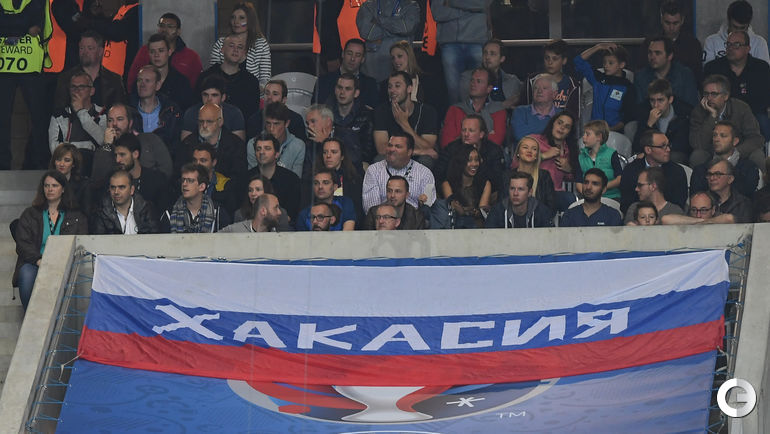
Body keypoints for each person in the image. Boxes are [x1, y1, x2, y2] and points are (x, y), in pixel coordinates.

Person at [13, 171, 88, 310]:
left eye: (54, 185)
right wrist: (39, 260)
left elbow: (81, 242)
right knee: (26, 274)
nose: (50, 189)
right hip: (35, 262)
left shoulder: (76, 215)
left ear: (63, 189)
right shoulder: (30, 214)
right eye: (46, 185)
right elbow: (22, 243)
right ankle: (31, 316)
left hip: (65, 263)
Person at [0, 0, 52, 169]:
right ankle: (2, 165)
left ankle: (39, 164)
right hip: (4, 66)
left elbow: (37, 21)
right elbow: (27, 22)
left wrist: (8, 25)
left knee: (39, 118)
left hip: (31, 66)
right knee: (2, 119)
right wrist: (25, 28)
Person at [704, 30, 770, 142]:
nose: (730, 48)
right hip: (722, 113)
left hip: (754, 114)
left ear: (748, 48)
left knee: (763, 120)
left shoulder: (761, 68)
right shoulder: (713, 68)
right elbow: (708, 96)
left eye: (737, 45)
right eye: (728, 44)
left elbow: (764, 99)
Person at [689, 74, 765, 170]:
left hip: (739, 152)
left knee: (757, 155)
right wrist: (712, 117)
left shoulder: (741, 108)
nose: (709, 98)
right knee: (697, 155)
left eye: (714, 94)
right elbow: (697, 144)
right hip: (712, 154)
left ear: (726, 96)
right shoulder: (698, 112)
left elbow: (756, 139)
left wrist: (735, 153)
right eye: (706, 94)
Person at [174, 103, 247, 191]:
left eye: (209, 121)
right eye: (201, 121)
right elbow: (178, 175)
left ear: (220, 121)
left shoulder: (236, 145)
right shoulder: (187, 144)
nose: (204, 125)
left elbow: (239, 179)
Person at [431, 0, 491, 104]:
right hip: (450, 43)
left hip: (477, 41)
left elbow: (483, 3)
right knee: (454, 93)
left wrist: (450, 3)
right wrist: (470, 11)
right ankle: (458, 115)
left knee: (480, 91)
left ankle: (478, 115)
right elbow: (437, 13)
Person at [373, 71, 439, 166]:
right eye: (390, 87)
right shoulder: (382, 111)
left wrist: (404, 124)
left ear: (409, 89)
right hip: (396, 156)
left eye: (397, 86)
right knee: (379, 159)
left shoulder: (427, 111)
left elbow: (428, 147)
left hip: (416, 159)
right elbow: (381, 149)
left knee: (426, 159)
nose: (392, 90)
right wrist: (417, 152)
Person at [48, 70, 107, 175]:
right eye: (73, 87)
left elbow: (103, 141)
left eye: (82, 87)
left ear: (92, 91)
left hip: (94, 169)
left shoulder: (102, 113)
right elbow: (54, 150)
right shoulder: (59, 115)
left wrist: (80, 111)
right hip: (67, 169)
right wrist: (85, 148)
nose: (77, 91)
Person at [127, 13, 202, 91]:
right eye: (162, 26)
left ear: (178, 31)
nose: (164, 30)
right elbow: (132, 80)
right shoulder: (144, 51)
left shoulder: (191, 56)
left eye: (170, 27)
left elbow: (197, 87)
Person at [362, 132, 436, 212]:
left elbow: (429, 207)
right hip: (383, 217)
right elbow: (371, 208)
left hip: (414, 218)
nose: (392, 149)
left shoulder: (425, 173)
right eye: (390, 145)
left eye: (398, 146)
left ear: (409, 152)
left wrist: (422, 203)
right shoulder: (373, 170)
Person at [54, 30, 126, 110]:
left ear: (100, 52)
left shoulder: (114, 80)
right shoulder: (65, 78)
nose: (85, 52)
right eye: (82, 48)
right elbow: (59, 110)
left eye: (90, 48)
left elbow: (121, 111)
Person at [619, 129, 688, 213]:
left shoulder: (677, 171)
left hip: (668, 217)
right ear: (648, 150)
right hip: (637, 216)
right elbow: (626, 204)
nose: (668, 149)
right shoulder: (631, 170)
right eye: (663, 146)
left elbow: (679, 204)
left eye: (668, 145)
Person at [436, 114, 505, 194]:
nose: (466, 134)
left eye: (471, 131)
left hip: (484, 194)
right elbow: (438, 175)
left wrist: (480, 163)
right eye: (464, 130)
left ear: (481, 134)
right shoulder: (451, 149)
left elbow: (497, 181)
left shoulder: (493, 151)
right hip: (454, 193)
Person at [574, 43, 636, 132]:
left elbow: (628, 117)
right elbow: (578, 61)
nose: (606, 66)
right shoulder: (598, 78)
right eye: (604, 62)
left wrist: (609, 130)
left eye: (610, 63)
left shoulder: (628, 87)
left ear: (622, 64)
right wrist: (598, 47)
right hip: (594, 131)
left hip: (615, 133)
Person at [689, 121, 759, 199]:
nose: (716, 139)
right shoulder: (700, 170)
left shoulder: (749, 168)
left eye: (723, 136)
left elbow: (747, 198)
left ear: (735, 141)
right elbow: (696, 199)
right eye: (714, 135)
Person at [440, 67, 507, 149]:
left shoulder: (498, 110)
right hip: (459, 155)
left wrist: (462, 138)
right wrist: (484, 137)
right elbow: (447, 143)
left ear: (489, 88)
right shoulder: (455, 110)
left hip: (488, 156)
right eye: (472, 80)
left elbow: (496, 142)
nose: (473, 84)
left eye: (478, 81)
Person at [209, 2, 271, 90]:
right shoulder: (221, 43)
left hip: (252, 93)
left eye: (241, 18)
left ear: (250, 21)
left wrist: (253, 91)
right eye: (233, 17)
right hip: (223, 92)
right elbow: (213, 73)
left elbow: (265, 80)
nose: (236, 22)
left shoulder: (261, 44)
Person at [102, 103, 173, 179]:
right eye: (110, 120)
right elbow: (99, 178)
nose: (114, 124)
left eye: (120, 119)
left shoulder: (149, 139)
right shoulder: (106, 147)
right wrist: (107, 145)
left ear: (130, 123)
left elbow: (167, 171)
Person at [198, 34, 260, 120]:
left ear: (244, 53)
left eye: (240, 47)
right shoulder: (206, 77)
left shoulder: (251, 82)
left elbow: (253, 115)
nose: (236, 50)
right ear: (222, 49)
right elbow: (196, 107)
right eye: (231, 46)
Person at [355, 0, 420, 82]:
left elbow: (406, 28)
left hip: (400, 68)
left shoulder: (410, 5)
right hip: (373, 67)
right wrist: (397, 32)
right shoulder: (368, 6)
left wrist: (380, 20)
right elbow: (367, 32)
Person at [381, 40, 447, 116]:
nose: (396, 61)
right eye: (393, 58)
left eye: (399, 56)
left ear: (409, 56)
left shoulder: (427, 81)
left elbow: (434, 110)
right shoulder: (385, 84)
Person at [160, 163, 231, 233]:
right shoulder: (169, 214)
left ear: (202, 187)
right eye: (183, 180)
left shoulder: (218, 214)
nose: (184, 184)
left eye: (190, 181)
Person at [530, 111, 580, 209]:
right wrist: (544, 156)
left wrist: (569, 169)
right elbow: (518, 163)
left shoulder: (569, 150)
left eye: (567, 127)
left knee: (570, 199)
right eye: (560, 123)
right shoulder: (535, 140)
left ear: (569, 132)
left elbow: (573, 177)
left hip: (555, 193)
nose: (562, 128)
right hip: (532, 189)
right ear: (553, 123)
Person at [633, 79, 691, 162]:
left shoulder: (682, 114)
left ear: (670, 99)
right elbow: (637, 146)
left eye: (660, 100)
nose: (655, 105)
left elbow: (681, 147)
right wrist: (649, 125)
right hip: (653, 155)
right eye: (652, 100)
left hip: (673, 155)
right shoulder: (645, 112)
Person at [132, 33, 195, 110]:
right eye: (152, 51)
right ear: (148, 54)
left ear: (169, 52)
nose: (156, 55)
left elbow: (187, 111)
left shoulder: (182, 82)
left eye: (161, 51)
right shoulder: (139, 83)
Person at [633, 36, 699, 108]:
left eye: (657, 53)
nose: (652, 57)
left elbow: (691, 106)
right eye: (650, 53)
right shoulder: (640, 77)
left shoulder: (685, 75)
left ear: (670, 56)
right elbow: (639, 108)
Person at [248, 133, 301, 221]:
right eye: (258, 149)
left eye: (267, 148)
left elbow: (291, 215)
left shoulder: (291, 179)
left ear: (276, 154)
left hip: (282, 227)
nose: (262, 152)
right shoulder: (246, 178)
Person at [313, 38, 378, 109]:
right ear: (343, 54)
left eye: (358, 55)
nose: (352, 59)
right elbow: (315, 110)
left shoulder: (370, 84)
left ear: (363, 59)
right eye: (349, 53)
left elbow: (372, 111)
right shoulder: (323, 81)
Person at [113, 134, 168, 216]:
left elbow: (164, 214)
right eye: (116, 155)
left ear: (135, 154)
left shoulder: (156, 180)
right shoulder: (112, 180)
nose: (117, 160)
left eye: (122, 155)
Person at [90, 169, 158, 234]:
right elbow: (98, 240)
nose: (116, 192)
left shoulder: (146, 209)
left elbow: (155, 238)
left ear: (131, 190)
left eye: (121, 187)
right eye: (113, 187)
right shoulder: (101, 212)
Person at [246, 102, 305, 177]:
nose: (271, 128)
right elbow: (253, 176)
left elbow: (296, 179)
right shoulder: (253, 144)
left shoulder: (298, 146)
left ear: (287, 123)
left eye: (276, 124)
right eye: (268, 123)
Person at [180, 74, 246, 142]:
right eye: (205, 95)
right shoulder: (191, 113)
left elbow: (238, 145)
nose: (209, 99)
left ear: (223, 97)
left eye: (214, 95)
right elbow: (185, 144)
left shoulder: (234, 114)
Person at [459, 39, 522, 109]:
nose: (487, 57)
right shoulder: (468, 77)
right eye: (485, 53)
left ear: (502, 59)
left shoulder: (512, 81)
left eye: (492, 54)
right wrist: (503, 105)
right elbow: (469, 108)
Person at [130, 65, 183, 146]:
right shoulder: (128, 110)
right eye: (139, 80)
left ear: (158, 85)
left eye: (147, 81)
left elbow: (175, 144)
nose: (142, 85)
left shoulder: (171, 111)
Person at [702, 0, 770, 65]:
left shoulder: (759, 43)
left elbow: (764, 71)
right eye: (735, 27)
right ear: (728, 21)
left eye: (742, 28)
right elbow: (708, 70)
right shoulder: (711, 42)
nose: (738, 31)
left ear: (748, 24)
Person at [329, 73, 376, 164]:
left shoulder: (366, 115)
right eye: (339, 87)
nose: (342, 92)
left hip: (356, 163)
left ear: (356, 93)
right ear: (335, 90)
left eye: (348, 89)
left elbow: (368, 151)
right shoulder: (325, 113)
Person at [440, 147, 491, 228]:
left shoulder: (485, 183)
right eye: (469, 160)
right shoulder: (447, 184)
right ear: (460, 162)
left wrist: (467, 211)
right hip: (455, 227)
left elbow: (482, 212)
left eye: (476, 160)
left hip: (478, 228)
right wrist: (469, 211)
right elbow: (454, 208)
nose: (474, 164)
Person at [525, 40, 579, 116]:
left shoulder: (572, 85)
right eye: (547, 58)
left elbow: (574, 115)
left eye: (555, 59)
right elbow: (525, 109)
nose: (550, 62)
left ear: (564, 60)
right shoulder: (532, 80)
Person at [315, 138, 364, 220]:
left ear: (342, 156)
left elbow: (357, 211)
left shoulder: (354, 179)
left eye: (334, 152)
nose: (328, 156)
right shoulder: (312, 178)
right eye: (325, 152)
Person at [485, 171, 554, 228]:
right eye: (512, 188)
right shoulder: (497, 212)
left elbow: (550, 237)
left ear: (530, 192)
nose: (515, 193)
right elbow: (488, 237)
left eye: (520, 189)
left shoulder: (542, 211)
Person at [657, 0, 703, 82]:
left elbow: (697, 77)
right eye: (667, 23)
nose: (671, 28)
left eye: (675, 23)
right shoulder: (651, 43)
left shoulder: (693, 45)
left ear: (682, 21)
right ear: (661, 20)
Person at [576, 120, 621, 200]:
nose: (583, 137)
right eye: (584, 134)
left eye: (587, 134)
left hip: (611, 197)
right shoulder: (581, 157)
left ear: (599, 137)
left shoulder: (611, 154)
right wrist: (588, 195)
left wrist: (601, 188)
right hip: (588, 198)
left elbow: (619, 179)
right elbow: (578, 183)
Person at [511, 136, 556, 213]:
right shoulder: (507, 176)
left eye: (534, 149)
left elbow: (551, 207)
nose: (529, 151)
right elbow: (503, 205)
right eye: (525, 147)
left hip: (539, 218)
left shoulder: (544, 176)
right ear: (518, 153)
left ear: (537, 155)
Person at [362, 175, 426, 230]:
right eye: (389, 191)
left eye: (397, 191)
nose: (392, 195)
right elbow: (367, 238)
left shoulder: (417, 216)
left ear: (407, 195)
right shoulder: (373, 212)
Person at [190, 143, 238, 215]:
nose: (197, 164)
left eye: (203, 160)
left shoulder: (225, 184)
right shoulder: (185, 182)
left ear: (214, 162)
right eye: (195, 160)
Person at [705, 158, 753, 223]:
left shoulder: (743, 204)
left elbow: (746, 227)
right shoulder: (699, 200)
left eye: (718, 174)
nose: (712, 178)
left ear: (730, 179)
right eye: (709, 174)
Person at [511, 74, 558, 142]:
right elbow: (521, 136)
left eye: (544, 88)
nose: (539, 91)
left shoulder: (561, 115)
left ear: (554, 94)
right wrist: (550, 133)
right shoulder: (520, 112)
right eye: (536, 88)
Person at [49, 143, 92, 214]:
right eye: (58, 159)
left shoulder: (84, 185)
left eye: (67, 160)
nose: (61, 164)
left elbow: (86, 213)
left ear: (74, 164)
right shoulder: (48, 182)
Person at [661, 191, 734, 225]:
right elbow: (666, 219)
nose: (698, 215)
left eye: (703, 210)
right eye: (694, 210)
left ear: (713, 210)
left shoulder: (717, 218)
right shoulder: (687, 218)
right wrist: (699, 221)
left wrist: (705, 222)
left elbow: (729, 218)